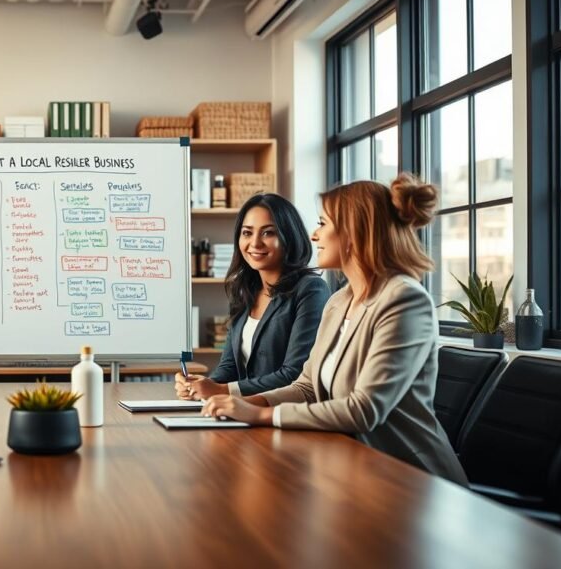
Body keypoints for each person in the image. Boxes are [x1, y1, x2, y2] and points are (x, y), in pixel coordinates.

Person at [198, 174, 468, 484]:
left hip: (407, 476)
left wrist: (260, 414)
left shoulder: (405, 300)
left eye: (323, 223)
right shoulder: (340, 301)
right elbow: (307, 387)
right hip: (348, 464)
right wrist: (242, 404)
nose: (314, 235)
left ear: (354, 232)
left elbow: (364, 409)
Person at [174, 193, 329, 400]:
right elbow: (229, 366)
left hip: (283, 414)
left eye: (268, 233)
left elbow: (295, 374)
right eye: (247, 233)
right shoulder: (244, 290)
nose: (255, 243)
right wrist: (203, 385)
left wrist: (222, 391)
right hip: (243, 413)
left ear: (289, 237)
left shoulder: (310, 290)